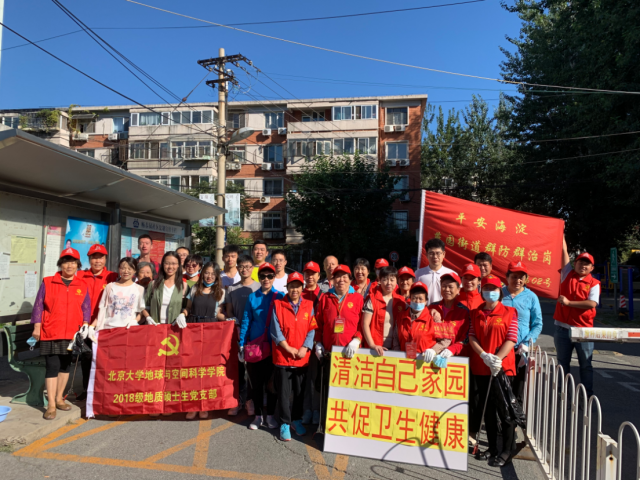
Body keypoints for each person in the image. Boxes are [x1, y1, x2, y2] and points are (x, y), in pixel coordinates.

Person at [30, 248, 90, 420]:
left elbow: (86, 307)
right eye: (66, 262)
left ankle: (59, 399)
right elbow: (39, 305)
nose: (69, 265)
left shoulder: (82, 285)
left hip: (72, 333)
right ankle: (50, 405)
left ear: (78, 265)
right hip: (51, 331)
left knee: (65, 366)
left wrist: (85, 324)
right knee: (52, 366)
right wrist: (37, 327)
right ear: (60, 264)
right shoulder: (48, 282)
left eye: (73, 262)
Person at [469, 274, 519, 467]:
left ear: (500, 291)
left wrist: (497, 359)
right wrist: (483, 355)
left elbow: (511, 338)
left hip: (502, 368)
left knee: (505, 410)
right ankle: (492, 448)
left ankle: (507, 450)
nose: (490, 292)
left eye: (494, 289)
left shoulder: (509, 312)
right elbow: (472, 336)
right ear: (481, 291)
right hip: (482, 366)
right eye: (486, 288)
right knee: (488, 410)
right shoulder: (476, 312)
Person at [315, 265, 364, 428]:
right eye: (337, 277)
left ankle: (347, 427)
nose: (341, 280)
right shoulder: (325, 298)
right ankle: (326, 427)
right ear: (333, 280)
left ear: (350, 280)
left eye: (344, 277)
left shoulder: (358, 298)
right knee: (328, 393)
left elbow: (363, 325)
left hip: (350, 356)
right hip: (330, 355)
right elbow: (318, 324)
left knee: (348, 393)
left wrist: (357, 340)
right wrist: (318, 343)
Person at [271, 272, 317, 441]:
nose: (295, 290)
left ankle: (296, 420)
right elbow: (275, 331)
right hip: (283, 356)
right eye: (292, 286)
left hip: (301, 357)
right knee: (284, 393)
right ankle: (284, 422)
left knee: (299, 392)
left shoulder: (309, 305)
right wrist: (288, 348)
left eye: (298, 286)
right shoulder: (278, 304)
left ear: (302, 288)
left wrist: (305, 347)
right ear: (287, 287)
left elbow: (312, 329)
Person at [239, 262, 284, 430]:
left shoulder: (280, 296)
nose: (266, 279)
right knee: (256, 384)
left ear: (274, 277)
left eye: (270, 276)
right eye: (263, 276)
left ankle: (270, 415)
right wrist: (242, 344)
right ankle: (258, 417)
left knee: (272, 384)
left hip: (274, 347)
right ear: (259, 278)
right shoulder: (252, 297)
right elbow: (246, 321)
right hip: (255, 347)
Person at [554, 238, 600, 398]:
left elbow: (592, 303)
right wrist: (560, 233)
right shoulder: (567, 273)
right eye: (580, 262)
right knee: (562, 364)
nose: (583, 265)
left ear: (592, 267)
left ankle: (586, 397)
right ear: (575, 263)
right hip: (562, 328)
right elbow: (563, 252)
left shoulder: (594, 283)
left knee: (585, 365)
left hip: (583, 330)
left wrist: (569, 303)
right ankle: (562, 395)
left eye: (587, 264)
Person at [181, 262, 226, 420]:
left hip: (211, 332)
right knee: (192, 370)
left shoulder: (220, 292)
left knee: (207, 371)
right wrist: (182, 314)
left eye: (213, 274)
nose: (209, 276)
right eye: (207, 273)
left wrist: (229, 319)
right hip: (193, 329)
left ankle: (204, 405)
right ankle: (193, 405)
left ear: (217, 276)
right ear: (202, 273)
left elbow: (218, 314)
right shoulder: (194, 289)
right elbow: (188, 308)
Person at [76, 244, 117, 401]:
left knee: (104, 359)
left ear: (105, 259)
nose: (97, 261)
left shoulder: (112, 276)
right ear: (89, 259)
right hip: (85, 325)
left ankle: (104, 390)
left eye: (100, 257)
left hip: (105, 325)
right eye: (94, 258)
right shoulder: (80, 275)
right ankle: (87, 390)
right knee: (86, 358)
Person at [224, 254, 260, 416]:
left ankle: (250, 400)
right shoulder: (232, 289)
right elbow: (229, 312)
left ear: (252, 268)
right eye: (241, 267)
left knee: (252, 370)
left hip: (255, 335)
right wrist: (236, 324)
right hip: (237, 334)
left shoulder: (259, 287)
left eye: (247, 266)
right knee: (237, 370)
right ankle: (236, 401)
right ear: (237, 268)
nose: (244, 269)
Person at [501, 261, 543, 401]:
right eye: (514, 277)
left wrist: (528, 342)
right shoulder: (499, 294)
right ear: (507, 277)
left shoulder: (531, 297)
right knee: (501, 387)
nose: (518, 280)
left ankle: (516, 413)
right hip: (501, 348)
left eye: (521, 277)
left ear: (525, 279)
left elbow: (537, 323)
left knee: (518, 389)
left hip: (520, 350)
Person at [361, 266, 405, 355]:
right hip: (376, 348)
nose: (389, 283)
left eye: (392, 280)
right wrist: (372, 345)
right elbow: (365, 324)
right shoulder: (372, 300)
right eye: (385, 279)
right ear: (380, 280)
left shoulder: (401, 301)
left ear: (396, 281)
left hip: (396, 348)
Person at [429, 272, 471, 360]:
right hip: (430, 357)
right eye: (444, 286)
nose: (447, 289)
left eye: (450, 287)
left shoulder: (464, 312)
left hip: (455, 359)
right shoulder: (432, 307)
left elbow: (466, 338)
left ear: (458, 290)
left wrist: (452, 349)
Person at [142, 251, 188, 329]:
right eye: (167, 263)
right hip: (155, 327)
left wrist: (182, 314)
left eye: (173, 263)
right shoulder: (153, 284)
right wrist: (148, 317)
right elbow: (144, 306)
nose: (170, 267)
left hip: (174, 328)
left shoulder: (184, 286)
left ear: (178, 265)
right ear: (163, 264)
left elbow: (187, 307)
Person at [300, 260, 322, 425]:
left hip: (317, 343)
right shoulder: (298, 293)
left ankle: (316, 410)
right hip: (300, 343)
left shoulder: (324, 295)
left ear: (318, 276)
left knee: (316, 378)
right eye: (307, 273)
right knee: (304, 379)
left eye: (313, 274)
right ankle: (306, 409)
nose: (310, 277)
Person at [396, 282, 437, 360]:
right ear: (410, 299)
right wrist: (397, 354)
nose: (417, 301)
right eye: (414, 298)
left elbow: (445, 340)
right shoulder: (401, 317)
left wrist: (433, 350)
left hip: (424, 362)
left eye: (421, 299)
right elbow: (396, 338)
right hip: (403, 360)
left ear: (426, 301)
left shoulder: (433, 318)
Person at [415, 238, 456, 305]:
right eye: (431, 253)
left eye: (438, 253)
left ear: (443, 254)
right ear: (426, 255)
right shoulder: (418, 274)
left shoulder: (452, 274)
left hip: (444, 310)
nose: (435, 256)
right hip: (424, 310)